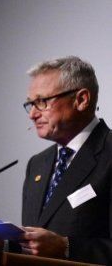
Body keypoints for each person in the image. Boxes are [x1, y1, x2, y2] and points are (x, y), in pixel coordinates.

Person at [20, 56, 112, 264]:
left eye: (42, 102)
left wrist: (66, 247)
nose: (32, 114)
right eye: (30, 104)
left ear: (81, 100)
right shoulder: (37, 164)